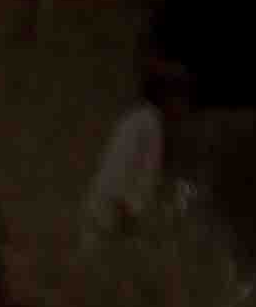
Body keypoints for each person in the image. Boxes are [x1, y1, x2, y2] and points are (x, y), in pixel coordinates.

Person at [72, 51, 186, 277]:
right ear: (164, 96)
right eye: (178, 96)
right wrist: (127, 217)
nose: (181, 105)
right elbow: (124, 174)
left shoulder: (136, 119)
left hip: (105, 218)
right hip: (112, 222)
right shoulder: (150, 124)